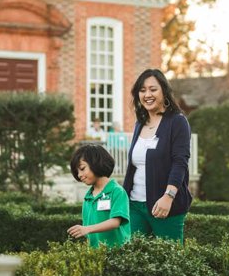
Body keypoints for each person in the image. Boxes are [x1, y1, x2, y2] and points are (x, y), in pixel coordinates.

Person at [123, 69, 192, 242]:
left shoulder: (177, 121)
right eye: (142, 90)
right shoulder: (140, 122)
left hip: (164, 205)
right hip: (135, 205)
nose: (147, 94)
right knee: (134, 260)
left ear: (164, 91)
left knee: (171, 262)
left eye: (153, 89)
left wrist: (168, 197)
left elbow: (180, 162)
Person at [67, 144, 131, 248]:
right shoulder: (88, 198)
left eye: (82, 168)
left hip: (117, 254)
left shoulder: (117, 191)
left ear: (97, 163)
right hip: (96, 255)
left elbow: (115, 222)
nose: (79, 175)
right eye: (77, 171)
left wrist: (87, 229)